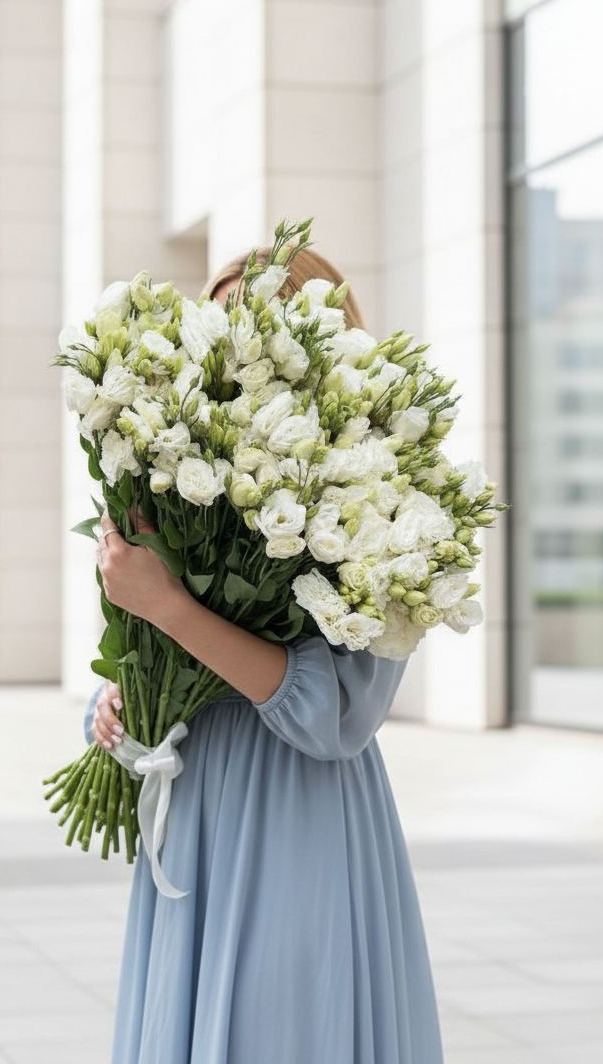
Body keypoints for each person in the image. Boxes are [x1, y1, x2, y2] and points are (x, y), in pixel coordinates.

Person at [86, 249, 444, 1063]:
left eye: (259, 325)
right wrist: (118, 706)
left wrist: (169, 607)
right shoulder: (181, 474)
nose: (235, 350)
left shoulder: (384, 490)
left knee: (283, 1027)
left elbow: (337, 717)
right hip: (198, 804)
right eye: (221, 327)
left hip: (297, 812)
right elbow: (142, 646)